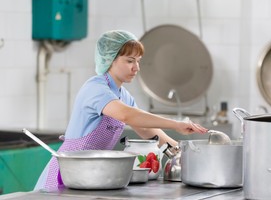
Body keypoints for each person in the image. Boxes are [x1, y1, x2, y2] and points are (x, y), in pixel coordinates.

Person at [35, 30, 208, 190]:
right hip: (66, 175)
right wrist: (176, 125)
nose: (136, 68)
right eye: (130, 61)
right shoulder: (95, 88)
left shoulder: (123, 95)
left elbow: (148, 130)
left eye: (138, 61)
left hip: (91, 175)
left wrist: (184, 154)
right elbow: (128, 115)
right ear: (110, 59)